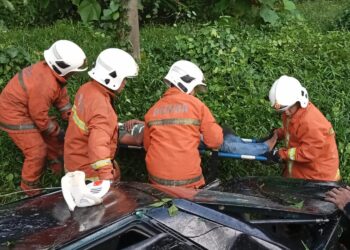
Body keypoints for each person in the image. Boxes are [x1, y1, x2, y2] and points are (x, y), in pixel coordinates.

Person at [0, 40, 87, 195]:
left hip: (29, 107)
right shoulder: (45, 85)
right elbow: (40, 118)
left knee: (54, 139)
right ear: (64, 68)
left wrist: (72, 118)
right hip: (13, 114)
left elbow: (61, 99)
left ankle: (57, 169)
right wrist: (58, 131)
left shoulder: (53, 76)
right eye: (73, 71)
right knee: (37, 150)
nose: (74, 74)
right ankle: (31, 188)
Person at [143, 60, 223, 189]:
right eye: (194, 88)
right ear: (187, 83)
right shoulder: (197, 105)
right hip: (188, 182)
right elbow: (215, 141)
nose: (194, 93)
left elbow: (147, 146)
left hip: (156, 182)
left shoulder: (153, 110)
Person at [64, 48, 138, 182]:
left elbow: (92, 125)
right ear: (112, 77)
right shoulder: (102, 107)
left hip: (74, 162)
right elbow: (98, 146)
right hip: (89, 175)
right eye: (124, 78)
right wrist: (107, 179)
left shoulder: (87, 89)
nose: (125, 83)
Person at [265, 75, 340, 181]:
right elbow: (295, 130)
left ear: (299, 101)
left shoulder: (312, 124)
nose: (286, 112)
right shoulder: (292, 111)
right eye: (282, 110)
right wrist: (278, 134)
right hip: (301, 169)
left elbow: (308, 152)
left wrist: (280, 154)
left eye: (289, 108)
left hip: (317, 176)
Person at [118, 120, 277, 155]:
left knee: (224, 137)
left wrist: (138, 122)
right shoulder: (118, 134)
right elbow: (139, 140)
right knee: (222, 144)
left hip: (180, 131)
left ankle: (259, 143)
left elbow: (152, 122)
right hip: (181, 140)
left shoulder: (121, 125)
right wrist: (143, 129)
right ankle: (265, 147)